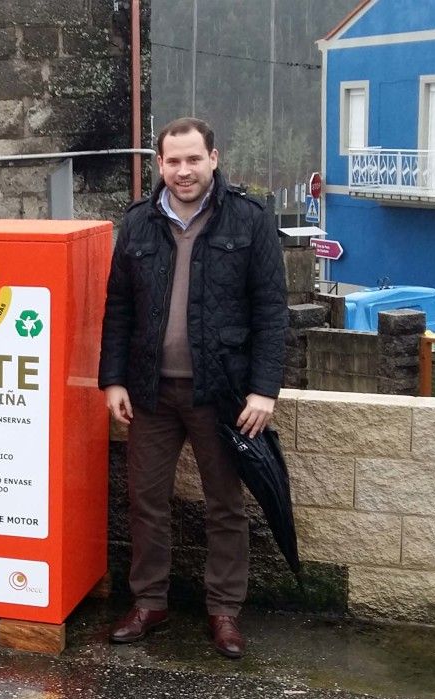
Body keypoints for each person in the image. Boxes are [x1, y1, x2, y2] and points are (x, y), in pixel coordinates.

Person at [98, 117, 286, 658]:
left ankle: (224, 611)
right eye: (173, 161)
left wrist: (263, 389)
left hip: (222, 392)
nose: (183, 171)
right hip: (149, 391)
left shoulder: (249, 219)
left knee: (225, 505)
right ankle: (149, 603)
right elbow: (118, 308)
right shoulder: (136, 223)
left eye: (193, 160)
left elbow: (271, 311)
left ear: (214, 158)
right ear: (160, 165)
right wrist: (112, 379)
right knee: (146, 500)